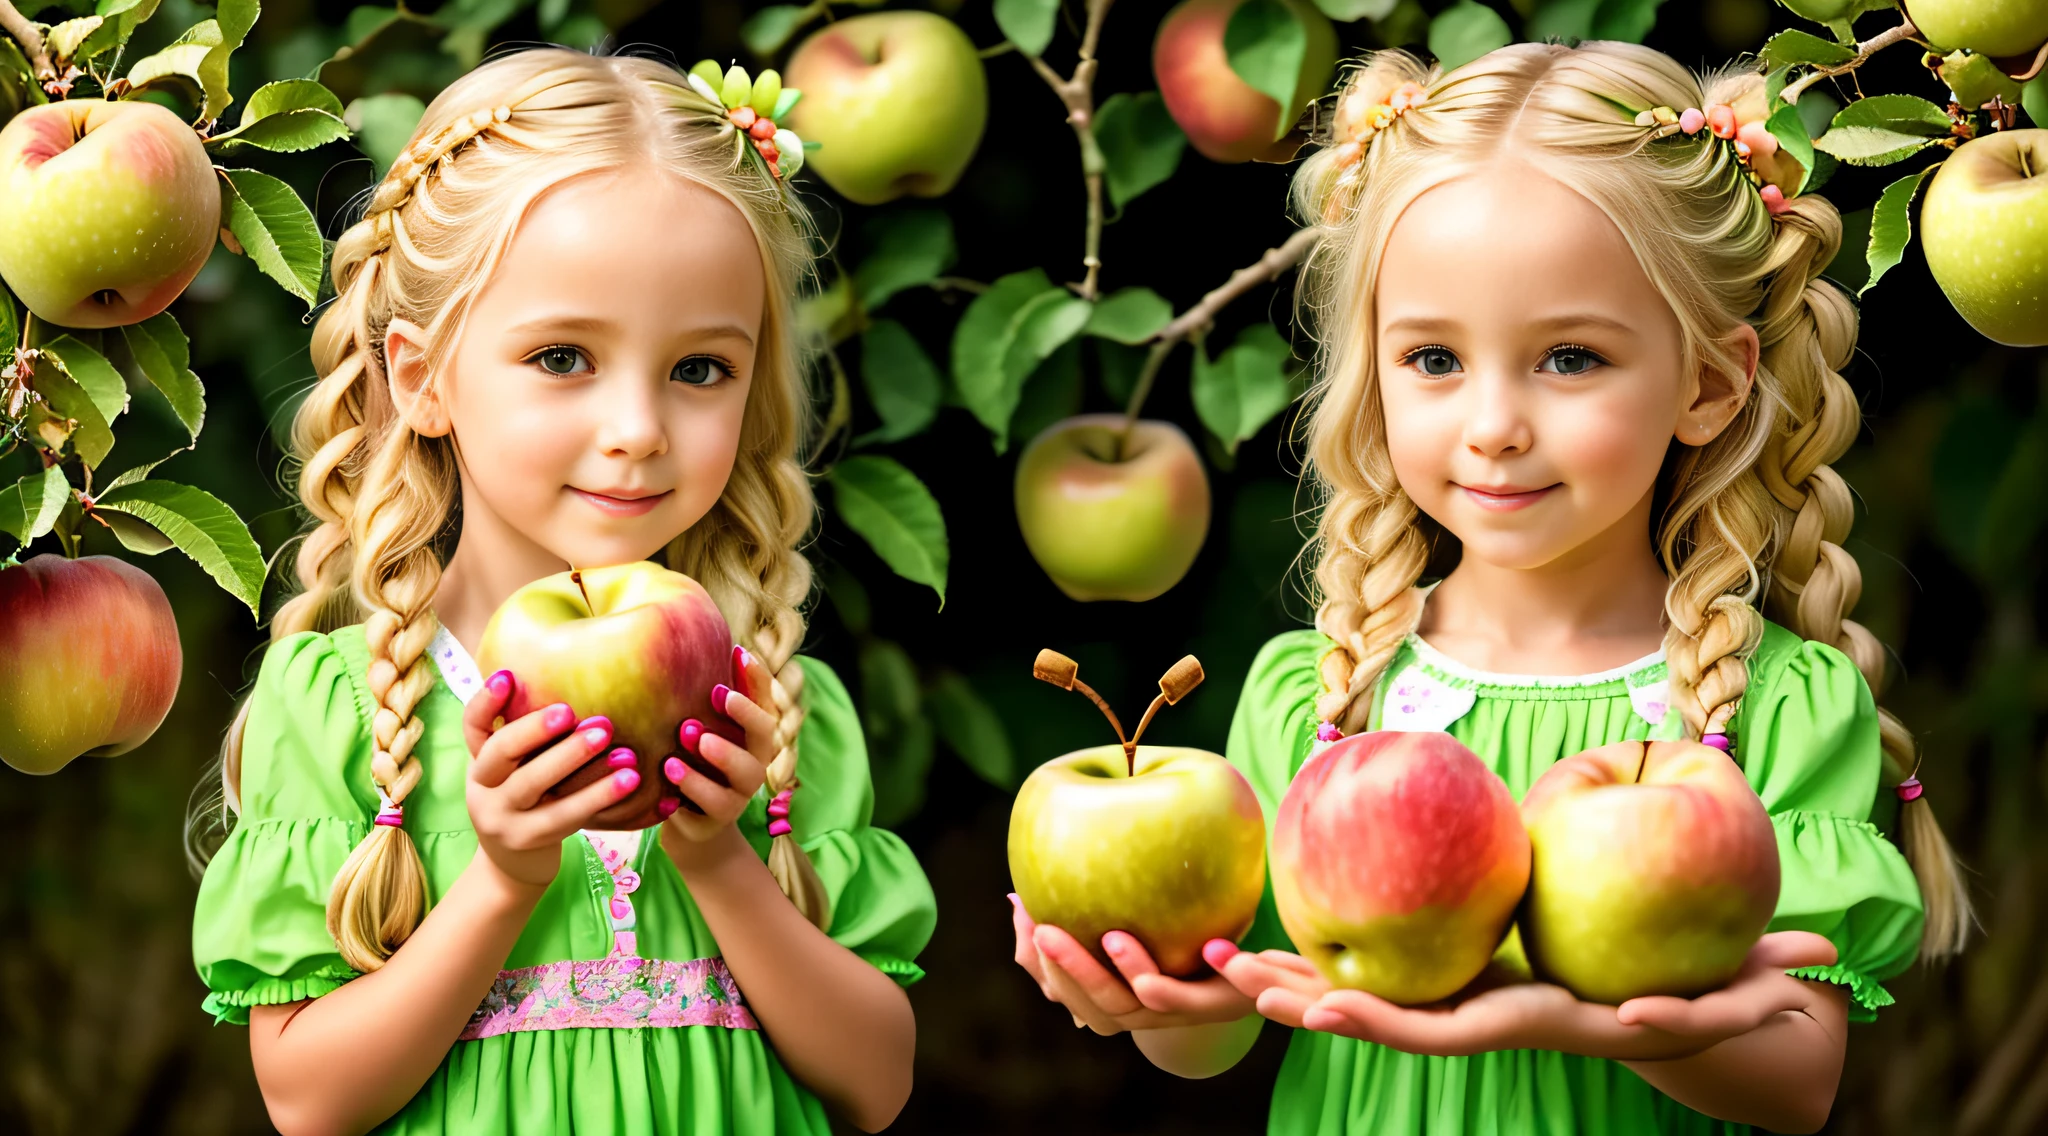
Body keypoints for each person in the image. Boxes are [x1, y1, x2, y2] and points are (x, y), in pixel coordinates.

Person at [1010, 40, 1970, 1135]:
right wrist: (1140, 992)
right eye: (1431, 359)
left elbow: (1796, 1082)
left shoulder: (1771, 710)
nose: (1492, 426)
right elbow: (1229, 1019)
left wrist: (1562, 1009)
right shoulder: (1320, 700)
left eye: (1568, 357)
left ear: (1706, 383)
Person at [186, 46, 934, 1136]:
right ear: (421, 376)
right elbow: (308, 1098)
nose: (635, 428)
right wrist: (499, 877)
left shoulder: (767, 710)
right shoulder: (343, 703)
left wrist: (721, 858)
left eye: (698, 369)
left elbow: (876, 1080)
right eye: (562, 357)